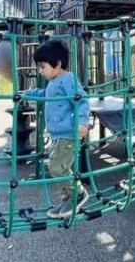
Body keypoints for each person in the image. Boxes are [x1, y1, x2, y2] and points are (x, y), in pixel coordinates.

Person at [23, 40, 91, 218]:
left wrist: (83, 122)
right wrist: (26, 94)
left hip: (69, 134)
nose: (40, 71)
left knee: (57, 167)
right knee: (57, 167)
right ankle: (69, 198)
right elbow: (44, 94)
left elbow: (81, 100)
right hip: (58, 135)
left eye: (42, 66)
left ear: (58, 64)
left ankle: (78, 193)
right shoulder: (54, 82)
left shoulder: (67, 80)